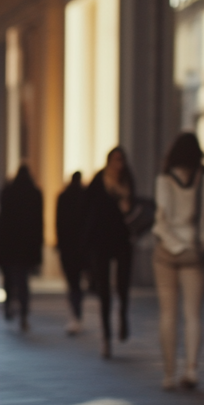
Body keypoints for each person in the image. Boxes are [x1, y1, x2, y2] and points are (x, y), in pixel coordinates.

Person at [152, 133, 204, 390]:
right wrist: (203, 244)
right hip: (193, 252)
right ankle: (191, 369)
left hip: (166, 252)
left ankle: (169, 374)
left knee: (168, 314)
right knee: (193, 314)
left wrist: (174, 245)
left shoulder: (164, 180)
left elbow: (161, 219)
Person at [83, 147, 135, 358]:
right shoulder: (98, 180)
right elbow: (87, 209)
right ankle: (106, 337)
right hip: (101, 242)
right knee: (104, 290)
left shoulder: (127, 181)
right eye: (115, 160)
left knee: (123, 285)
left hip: (123, 241)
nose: (119, 165)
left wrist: (125, 203)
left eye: (121, 160)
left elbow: (134, 210)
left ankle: (123, 316)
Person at [0, 165, 43, 330]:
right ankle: (23, 312)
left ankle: (9, 306)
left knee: (9, 279)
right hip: (26, 248)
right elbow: (39, 225)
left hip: (9, 246)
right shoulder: (35, 194)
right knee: (23, 281)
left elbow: (1, 222)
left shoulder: (8, 192)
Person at [56, 171, 87, 335]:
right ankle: (77, 313)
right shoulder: (85, 197)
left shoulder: (63, 197)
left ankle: (75, 315)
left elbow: (59, 224)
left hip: (68, 248)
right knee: (78, 283)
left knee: (72, 283)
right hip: (82, 248)